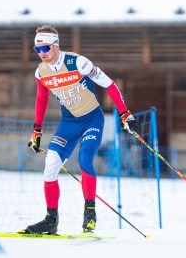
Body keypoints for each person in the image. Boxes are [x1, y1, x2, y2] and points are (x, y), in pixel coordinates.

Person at [21, 25, 140, 234]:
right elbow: (41, 99)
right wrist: (37, 131)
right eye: (37, 50)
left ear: (56, 45)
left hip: (92, 119)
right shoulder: (41, 72)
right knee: (50, 166)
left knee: (85, 159)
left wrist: (125, 114)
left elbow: (110, 85)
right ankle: (51, 220)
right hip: (68, 123)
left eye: (45, 48)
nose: (42, 54)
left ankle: (90, 214)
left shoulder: (78, 62)